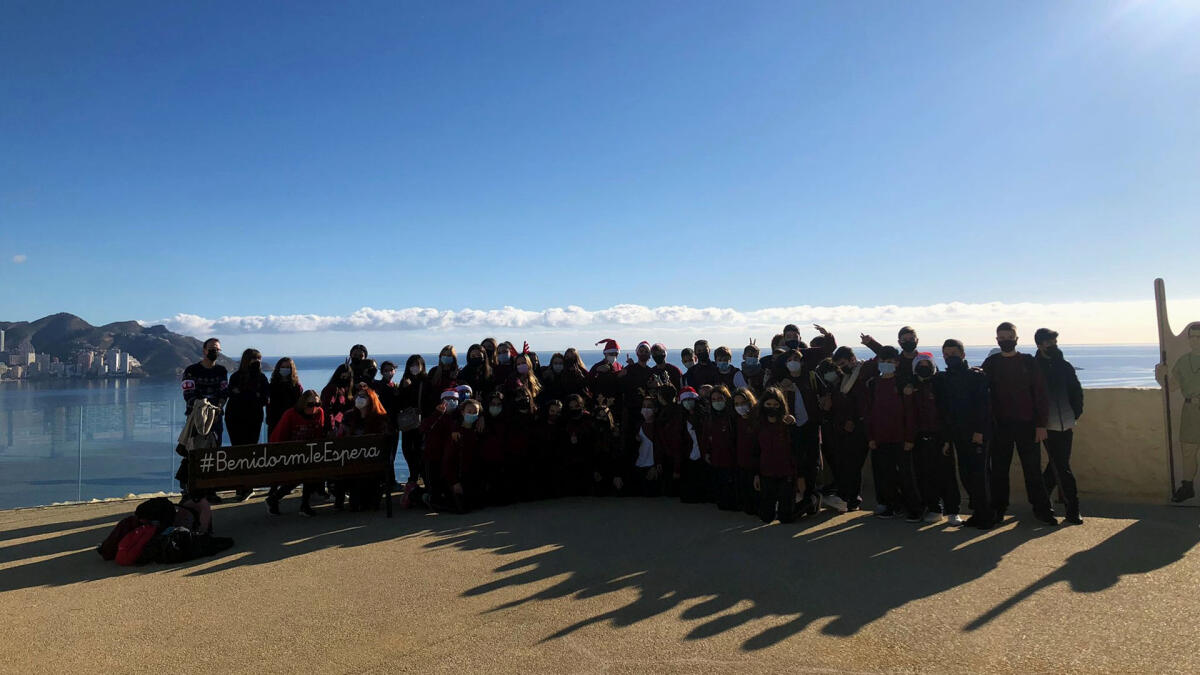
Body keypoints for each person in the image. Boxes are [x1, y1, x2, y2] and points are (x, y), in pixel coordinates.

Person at [982, 322, 1058, 526]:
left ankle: (1042, 509)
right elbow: (980, 390)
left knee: (1033, 470)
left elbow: (1040, 395)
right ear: (997, 340)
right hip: (1000, 427)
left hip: (1028, 426)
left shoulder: (1028, 362)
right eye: (1002, 337)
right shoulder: (991, 363)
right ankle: (998, 509)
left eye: (1009, 336)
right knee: (999, 471)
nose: (1006, 340)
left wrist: (1041, 425)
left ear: (1016, 338)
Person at [934, 339, 995, 529]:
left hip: (976, 434)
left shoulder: (976, 376)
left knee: (979, 476)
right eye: (946, 354)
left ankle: (986, 516)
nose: (950, 357)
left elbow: (984, 406)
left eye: (953, 353)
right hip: (957, 434)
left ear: (963, 355)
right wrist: (946, 438)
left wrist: (979, 431)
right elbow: (944, 411)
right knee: (966, 475)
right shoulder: (944, 379)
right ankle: (978, 513)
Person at [1035, 328, 1084, 524]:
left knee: (1056, 465)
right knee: (1062, 467)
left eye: (1054, 341)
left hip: (1067, 424)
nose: (1053, 345)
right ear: (1039, 344)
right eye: (1049, 342)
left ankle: (1040, 503)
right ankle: (1073, 509)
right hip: (1046, 426)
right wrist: (1038, 422)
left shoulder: (1064, 366)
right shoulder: (1034, 368)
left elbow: (1076, 391)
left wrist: (1075, 413)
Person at [866, 346, 921, 522]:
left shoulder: (903, 383)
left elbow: (910, 413)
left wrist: (909, 438)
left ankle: (915, 509)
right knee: (885, 474)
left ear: (897, 363)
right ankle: (890, 506)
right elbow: (870, 413)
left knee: (907, 475)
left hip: (901, 437)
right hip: (881, 438)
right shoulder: (873, 384)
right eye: (883, 362)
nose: (886, 365)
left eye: (890, 362)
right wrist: (871, 437)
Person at [908, 353, 962, 525]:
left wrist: (947, 438)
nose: (924, 367)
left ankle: (953, 511)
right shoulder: (911, 387)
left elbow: (947, 413)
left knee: (947, 474)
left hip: (940, 436)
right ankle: (934, 508)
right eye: (920, 364)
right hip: (919, 436)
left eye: (927, 363)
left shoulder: (941, 383)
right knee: (925, 475)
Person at [179, 338, 229, 501]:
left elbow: (224, 392)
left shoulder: (221, 370)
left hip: (216, 419)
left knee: (213, 454)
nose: (214, 352)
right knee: (192, 453)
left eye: (217, 349)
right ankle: (189, 489)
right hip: (195, 419)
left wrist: (218, 407)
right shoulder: (191, 370)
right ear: (204, 350)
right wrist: (203, 407)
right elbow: (188, 394)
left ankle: (210, 490)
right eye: (211, 348)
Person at [265, 390, 327, 517]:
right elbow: (280, 437)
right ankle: (277, 499)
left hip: (307, 453)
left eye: (317, 404)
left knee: (309, 472)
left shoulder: (319, 413)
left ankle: (300, 504)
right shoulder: (290, 414)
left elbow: (318, 434)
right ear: (303, 404)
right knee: (299, 475)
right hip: (287, 453)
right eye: (310, 404)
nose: (314, 407)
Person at [1159, 323, 1200, 503]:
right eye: (1192, 337)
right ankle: (1188, 487)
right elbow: (1172, 387)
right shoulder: (1183, 361)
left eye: (1199, 337)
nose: (1195, 341)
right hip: (1191, 409)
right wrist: (1161, 376)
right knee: (1188, 450)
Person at [334, 383, 391, 511]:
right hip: (352, 461)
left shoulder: (380, 418)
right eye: (358, 396)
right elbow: (340, 438)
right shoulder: (349, 416)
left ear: (371, 399)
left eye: (364, 396)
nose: (360, 399)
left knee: (367, 501)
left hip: (373, 462)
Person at [224, 348, 270, 501]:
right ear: (246, 360)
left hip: (254, 418)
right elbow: (232, 393)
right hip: (235, 418)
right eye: (253, 359)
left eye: (259, 359)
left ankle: (248, 486)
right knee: (237, 451)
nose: (257, 362)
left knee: (250, 451)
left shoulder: (262, 378)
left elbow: (264, 399)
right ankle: (239, 487)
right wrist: (252, 395)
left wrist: (245, 393)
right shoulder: (236, 377)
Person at [754, 387, 800, 524]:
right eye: (768, 404)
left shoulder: (788, 423)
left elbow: (797, 449)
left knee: (786, 517)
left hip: (786, 473)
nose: (772, 407)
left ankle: (811, 501)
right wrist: (756, 474)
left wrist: (799, 475)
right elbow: (756, 451)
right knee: (766, 517)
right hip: (766, 472)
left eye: (775, 405)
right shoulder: (759, 425)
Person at [705, 385, 739, 510]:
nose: (716, 402)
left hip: (732, 459)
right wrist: (708, 452)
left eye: (720, 398)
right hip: (716, 459)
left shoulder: (733, 416)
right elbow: (708, 437)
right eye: (713, 399)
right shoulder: (711, 417)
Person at [397, 354, 427, 486]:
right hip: (408, 422)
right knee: (407, 449)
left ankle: (418, 475)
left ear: (422, 366)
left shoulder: (425, 381)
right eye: (411, 365)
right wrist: (405, 388)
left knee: (420, 449)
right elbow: (400, 402)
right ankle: (413, 474)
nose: (414, 368)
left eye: (416, 365)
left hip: (422, 421)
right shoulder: (405, 380)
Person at [732, 387, 760, 515]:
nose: (740, 406)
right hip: (741, 465)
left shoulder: (758, 420)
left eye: (743, 403)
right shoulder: (735, 420)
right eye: (737, 404)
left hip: (757, 467)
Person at [267, 357, 302, 437]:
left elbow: (299, 404)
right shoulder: (272, 385)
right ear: (278, 368)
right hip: (274, 421)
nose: (285, 369)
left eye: (287, 367)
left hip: (291, 421)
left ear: (292, 369)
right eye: (282, 367)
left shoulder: (296, 387)